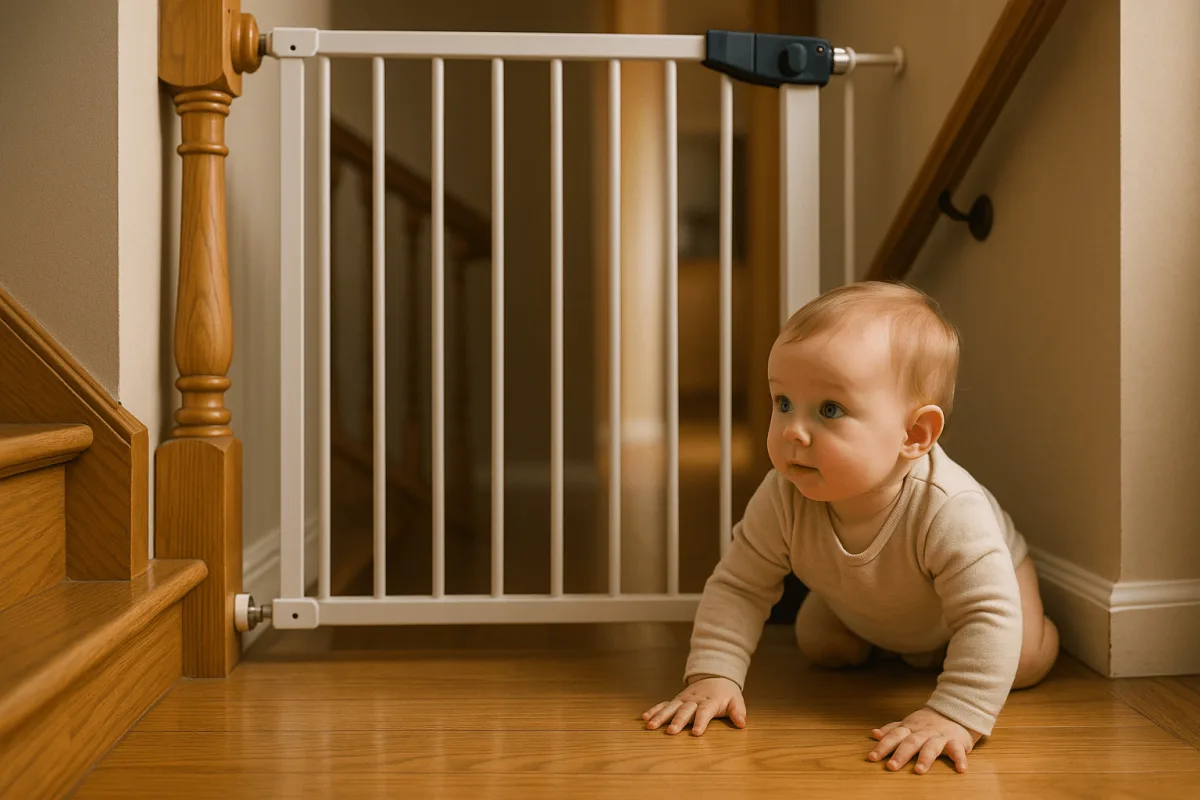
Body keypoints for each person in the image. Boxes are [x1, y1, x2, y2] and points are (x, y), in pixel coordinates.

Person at [641, 281, 1059, 775]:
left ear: (914, 435)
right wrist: (713, 675)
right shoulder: (782, 496)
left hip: (981, 599)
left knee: (1022, 660)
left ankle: (983, 644)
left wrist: (954, 713)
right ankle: (904, 646)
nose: (793, 431)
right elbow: (739, 585)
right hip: (873, 599)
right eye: (783, 403)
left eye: (830, 410)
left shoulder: (950, 509)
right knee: (819, 643)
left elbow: (989, 612)